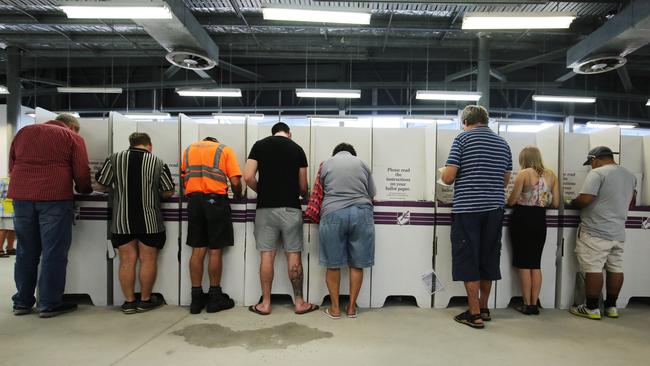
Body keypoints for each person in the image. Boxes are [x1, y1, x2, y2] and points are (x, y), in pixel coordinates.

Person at [8, 113, 92, 318]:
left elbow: (12, 165)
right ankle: (49, 303)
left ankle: (22, 302)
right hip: (54, 197)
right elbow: (81, 171)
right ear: (72, 127)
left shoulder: (23, 132)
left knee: (25, 250)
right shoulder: (72, 137)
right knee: (53, 252)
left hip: (21, 196)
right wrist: (85, 190)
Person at [441, 105, 512, 329]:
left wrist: (444, 172)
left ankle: (474, 314)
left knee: (468, 258)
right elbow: (504, 181)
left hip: (468, 209)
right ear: (486, 120)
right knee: (488, 257)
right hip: (494, 209)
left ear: (465, 122)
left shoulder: (462, 140)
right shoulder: (503, 144)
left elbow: (449, 177)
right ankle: (483, 307)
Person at [243, 122, 319, 316]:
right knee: (293, 254)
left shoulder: (259, 145)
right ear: (289, 134)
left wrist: (263, 191)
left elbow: (247, 175)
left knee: (266, 255)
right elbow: (303, 186)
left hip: (265, 209)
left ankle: (265, 303)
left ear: (273, 133)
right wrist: (302, 194)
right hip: (291, 209)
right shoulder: (297, 149)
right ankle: (300, 303)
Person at [96, 132, 175, 314]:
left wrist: (117, 189)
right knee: (147, 259)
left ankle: (129, 302)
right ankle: (145, 300)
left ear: (130, 143)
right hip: (150, 220)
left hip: (122, 220)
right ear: (149, 145)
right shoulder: (157, 162)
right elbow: (168, 191)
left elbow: (100, 184)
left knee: (126, 260)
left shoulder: (114, 158)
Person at [569, 146, 636, 320]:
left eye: (591, 163)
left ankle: (591, 308)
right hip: (618, 231)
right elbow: (632, 201)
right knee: (616, 267)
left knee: (593, 267)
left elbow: (585, 199)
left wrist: (571, 201)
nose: (591, 166)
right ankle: (611, 307)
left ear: (595, 159)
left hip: (595, 230)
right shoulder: (630, 175)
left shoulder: (597, 173)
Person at [181, 137, 243, 314]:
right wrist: (238, 195)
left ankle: (196, 299)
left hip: (194, 201)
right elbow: (236, 181)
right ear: (215, 142)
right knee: (214, 250)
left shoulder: (188, 150)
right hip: (215, 201)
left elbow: (185, 178)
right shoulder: (224, 150)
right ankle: (215, 297)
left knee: (197, 249)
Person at [318, 143, 376, 319]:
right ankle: (351, 308)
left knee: (333, 263)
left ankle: (335, 309)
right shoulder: (362, 164)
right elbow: (372, 192)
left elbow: (322, 188)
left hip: (333, 214)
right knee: (357, 263)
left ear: (335, 153)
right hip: (361, 214)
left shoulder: (326, 164)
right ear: (353, 154)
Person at [506, 146, 559, 315]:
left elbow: (513, 200)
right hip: (539, 220)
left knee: (523, 263)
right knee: (535, 263)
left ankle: (526, 303)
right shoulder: (551, 175)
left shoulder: (524, 173)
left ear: (524, 159)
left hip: (522, 219)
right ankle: (534, 304)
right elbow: (556, 203)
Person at [1, 177, 16, 258]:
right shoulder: (4, 181)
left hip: (13, 208)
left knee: (12, 229)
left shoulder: (18, 180)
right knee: (2, 229)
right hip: (4, 209)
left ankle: (10, 248)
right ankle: (0, 250)